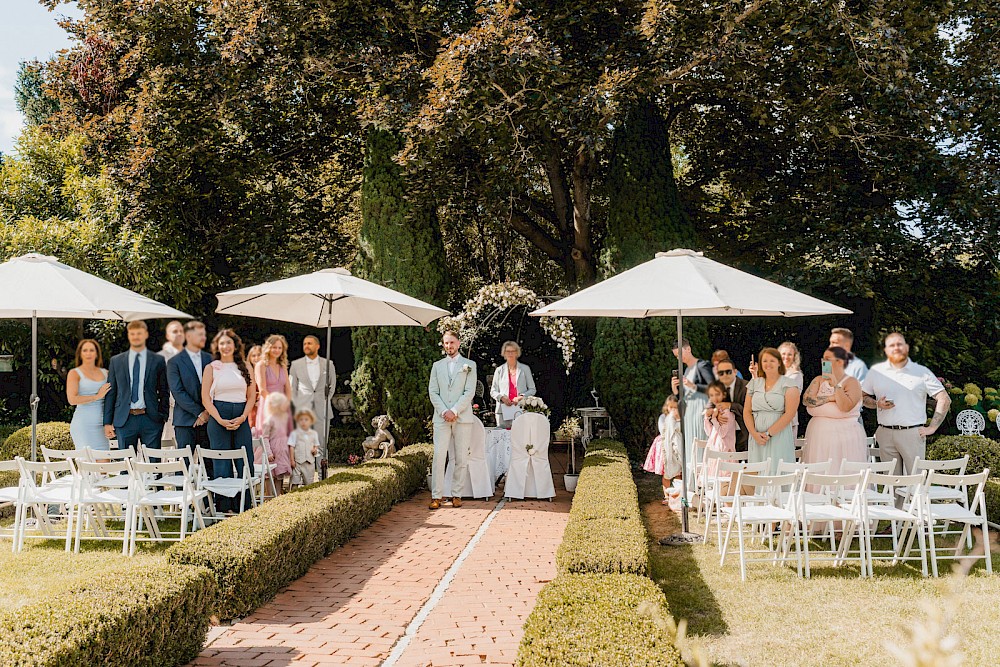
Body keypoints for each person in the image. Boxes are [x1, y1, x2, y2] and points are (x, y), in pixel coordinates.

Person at [862, 332, 950, 476]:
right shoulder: (876, 372)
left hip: (912, 433)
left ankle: (916, 499)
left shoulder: (921, 372)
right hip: (885, 433)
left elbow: (944, 399)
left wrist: (932, 427)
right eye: (891, 345)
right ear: (885, 350)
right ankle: (896, 500)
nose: (896, 348)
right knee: (891, 483)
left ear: (907, 348)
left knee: (915, 480)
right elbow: (862, 397)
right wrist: (877, 403)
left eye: (900, 344)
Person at [202, 329, 257, 513]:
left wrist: (243, 417)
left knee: (244, 461)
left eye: (229, 343)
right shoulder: (211, 367)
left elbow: (251, 397)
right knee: (222, 463)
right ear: (218, 346)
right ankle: (224, 507)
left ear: (235, 345)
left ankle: (244, 506)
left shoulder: (246, 366)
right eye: (222, 343)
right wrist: (219, 419)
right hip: (218, 418)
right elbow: (205, 399)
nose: (225, 346)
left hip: (241, 416)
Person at [427, 330, 477, 510]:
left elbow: (469, 391)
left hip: (462, 417)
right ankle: (436, 496)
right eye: (446, 343)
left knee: (461, 457)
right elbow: (433, 391)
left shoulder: (469, 365)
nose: (449, 346)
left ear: (458, 343)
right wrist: (444, 411)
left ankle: (457, 494)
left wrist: (454, 410)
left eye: (452, 342)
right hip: (441, 418)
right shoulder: (437, 365)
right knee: (439, 456)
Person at [103, 320, 170, 450]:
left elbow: (164, 390)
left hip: (151, 419)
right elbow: (111, 393)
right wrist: (107, 422)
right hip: (125, 419)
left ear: (145, 334)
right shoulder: (116, 361)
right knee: (127, 465)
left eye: (139, 333)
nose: (135, 337)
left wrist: (163, 416)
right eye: (132, 334)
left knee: (153, 464)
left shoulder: (158, 360)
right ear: (128, 335)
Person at [801, 346, 867, 473]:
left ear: (840, 362)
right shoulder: (818, 380)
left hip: (844, 437)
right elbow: (806, 400)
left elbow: (845, 407)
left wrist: (835, 385)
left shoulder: (852, 382)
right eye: (823, 358)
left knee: (839, 471)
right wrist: (831, 398)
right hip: (818, 436)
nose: (823, 361)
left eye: (827, 359)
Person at [743, 347, 800, 474]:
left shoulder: (789, 384)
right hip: (756, 435)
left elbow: (790, 413)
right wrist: (753, 433)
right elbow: (747, 411)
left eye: (772, 361)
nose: (768, 364)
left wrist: (768, 434)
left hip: (778, 435)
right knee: (757, 471)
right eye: (764, 361)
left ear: (779, 362)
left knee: (777, 469)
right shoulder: (754, 383)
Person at [671, 339, 714, 486]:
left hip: (699, 411)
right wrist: (676, 390)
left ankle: (703, 485)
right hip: (689, 413)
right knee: (690, 447)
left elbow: (713, 388)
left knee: (699, 447)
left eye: (680, 354)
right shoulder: (687, 370)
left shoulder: (702, 365)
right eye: (676, 356)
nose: (679, 358)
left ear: (688, 349)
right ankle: (692, 485)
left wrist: (692, 385)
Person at [167, 321, 213, 455]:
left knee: (210, 465)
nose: (203, 337)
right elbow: (177, 391)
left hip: (209, 420)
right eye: (200, 334)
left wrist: (207, 413)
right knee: (183, 467)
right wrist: (200, 413)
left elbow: (215, 388)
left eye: (204, 334)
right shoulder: (174, 362)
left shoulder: (210, 359)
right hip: (185, 421)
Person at [289, 335, 336, 460]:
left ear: (317, 346)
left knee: (321, 444)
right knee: (303, 445)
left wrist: (325, 401)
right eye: (304, 344)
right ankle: (305, 478)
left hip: (323, 409)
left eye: (309, 343)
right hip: (303, 410)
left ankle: (322, 476)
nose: (306, 346)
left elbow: (332, 385)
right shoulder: (296, 365)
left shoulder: (328, 364)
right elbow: (292, 388)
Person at [67, 339, 111, 450]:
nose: (88, 353)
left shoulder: (106, 373)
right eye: (85, 350)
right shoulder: (74, 373)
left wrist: (110, 422)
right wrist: (97, 396)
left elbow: (112, 399)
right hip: (83, 424)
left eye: (91, 350)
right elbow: (72, 399)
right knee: (86, 464)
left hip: (102, 426)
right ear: (80, 354)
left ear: (97, 353)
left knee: (104, 464)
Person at [643, 395, 683, 505]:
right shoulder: (663, 417)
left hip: (676, 445)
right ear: (667, 407)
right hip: (665, 446)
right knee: (666, 473)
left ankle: (677, 495)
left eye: (675, 407)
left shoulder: (680, 419)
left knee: (678, 472)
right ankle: (666, 496)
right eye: (671, 407)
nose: (673, 410)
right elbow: (664, 430)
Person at [489, 340, 537, 428]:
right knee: (503, 438)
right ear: (504, 353)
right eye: (508, 351)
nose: (510, 354)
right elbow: (493, 391)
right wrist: (502, 397)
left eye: (513, 351)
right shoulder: (499, 370)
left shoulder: (525, 369)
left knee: (520, 437)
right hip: (502, 411)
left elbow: (532, 389)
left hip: (520, 410)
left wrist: (521, 397)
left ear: (517, 353)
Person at [254, 334, 293, 435]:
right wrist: (275, 406)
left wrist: (286, 404)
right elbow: (262, 390)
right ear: (268, 348)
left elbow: (288, 388)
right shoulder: (261, 365)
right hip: (268, 406)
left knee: (283, 439)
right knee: (268, 438)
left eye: (280, 348)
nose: (277, 350)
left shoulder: (283, 366)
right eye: (274, 347)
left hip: (283, 407)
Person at [702, 381, 737, 485]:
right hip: (714, 449)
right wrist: (707, 418)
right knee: (713, 482)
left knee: (724, 483)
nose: (715, 398)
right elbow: (709, 433)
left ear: (724, 394)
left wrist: (714, 418)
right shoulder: (715, 412)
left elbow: (722, 433)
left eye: (717, 394)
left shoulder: (728, 413)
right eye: (712, 395)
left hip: (725, 451)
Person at [259, 392, 293, 495]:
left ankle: (278, 495)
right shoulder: (269, 420)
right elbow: (264, 438)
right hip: (273, 451)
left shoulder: (285, 418)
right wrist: (268, 452)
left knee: (280, 474)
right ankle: (269, 496)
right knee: (270, 475)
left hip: (283, 452)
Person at [713, 358, 749, 451]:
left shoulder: (747, 387)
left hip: (744, 434)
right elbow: (709, 408)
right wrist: (716, 416)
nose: (725, 375)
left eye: (728, 372)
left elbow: (749, 411)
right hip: (723, 437)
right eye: (721, 373)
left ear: (735, 372)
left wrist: (730, 406)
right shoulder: (715, 388)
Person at [159, 320, 185, 443]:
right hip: (167, 408)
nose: (179, 334)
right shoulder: (159, 357)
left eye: (181, 331)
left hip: (188, 409)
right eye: (175, 331)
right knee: (165, 445)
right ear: (167, 335)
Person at [289, 409, 320, 488]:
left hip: (309, 462)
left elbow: (316, 445)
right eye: (301, 420)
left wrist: (315, 449)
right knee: (295, 481)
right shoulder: (294, 433)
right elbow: (291, 446)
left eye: (306, 420)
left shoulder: (313, 433)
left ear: (311, 421)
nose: (303, 422)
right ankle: (293, 494)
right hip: (297, 462)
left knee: (309, 482)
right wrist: (292, 460)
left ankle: (308, 495)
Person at [778, 341, 804, 436]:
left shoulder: (796, 375)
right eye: (783, 354)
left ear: (794, 357)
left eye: (789, 354)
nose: (786, 357)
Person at [246, 345, 263, 432]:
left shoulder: (266, 371)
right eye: (253, 355)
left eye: (259, 355)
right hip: (251, 407)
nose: (256, 358)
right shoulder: (247, 373)